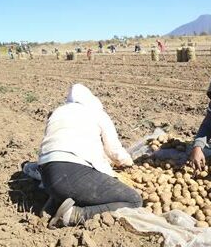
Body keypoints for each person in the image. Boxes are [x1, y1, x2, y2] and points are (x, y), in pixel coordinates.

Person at [37, 83, 142, 228]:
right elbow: (114, 151)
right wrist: (128, 163)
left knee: (76, 185)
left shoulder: (59, 111)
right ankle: (75, 215)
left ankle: (55, 201)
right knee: (134, 200)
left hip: (47, 174)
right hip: (72, 172)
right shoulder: (96, 113)